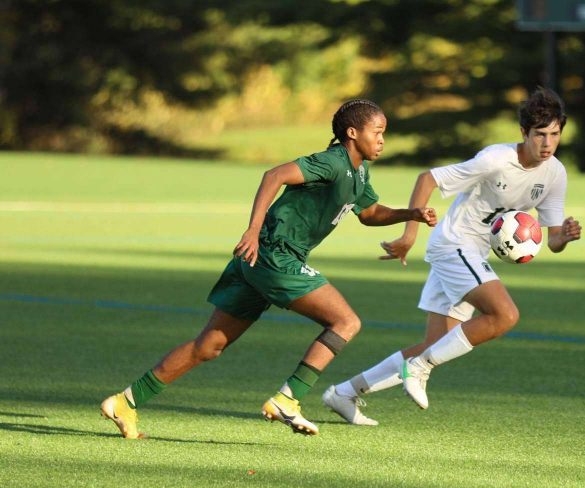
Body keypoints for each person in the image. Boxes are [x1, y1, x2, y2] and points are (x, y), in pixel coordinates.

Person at [100, 99, 437, 438]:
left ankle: (125, 402)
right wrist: (252, 230)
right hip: (275, 254)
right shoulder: (331, 162)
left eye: (384, 133)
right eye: (377, 132)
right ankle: (288, 399)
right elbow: (274, 175)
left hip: (259, 261)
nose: (382, 140)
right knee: (346, 321)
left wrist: (410, 214)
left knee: (208, 346)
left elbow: (369, 213)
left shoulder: (359, 171)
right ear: (352, 133)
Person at [322, 87, 582, 425]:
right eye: (539, 135)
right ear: (523, 132)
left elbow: (553, 240)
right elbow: (427, 178)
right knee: (504, 315)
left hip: (473, 253)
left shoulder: (554, 174)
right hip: (454, 245)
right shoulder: (496, 159)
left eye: (554, 135)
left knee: (436, 344)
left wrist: (567, 235)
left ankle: (344, 393)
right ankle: (419, 368)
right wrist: (409, 234)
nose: (547, 144)